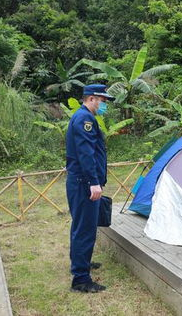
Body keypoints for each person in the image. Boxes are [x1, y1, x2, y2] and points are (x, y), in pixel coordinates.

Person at [65, 84, 115, 293]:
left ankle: (80, 264)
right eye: (103, 101)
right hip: (84, 183)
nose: (104, 106)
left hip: (79, 181)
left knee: (81, 225)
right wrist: (93, 182)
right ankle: (81, 279)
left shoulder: (81, 116)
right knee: (85, 229)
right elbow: (86, 153)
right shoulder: (84, 119)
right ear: (92, 98)